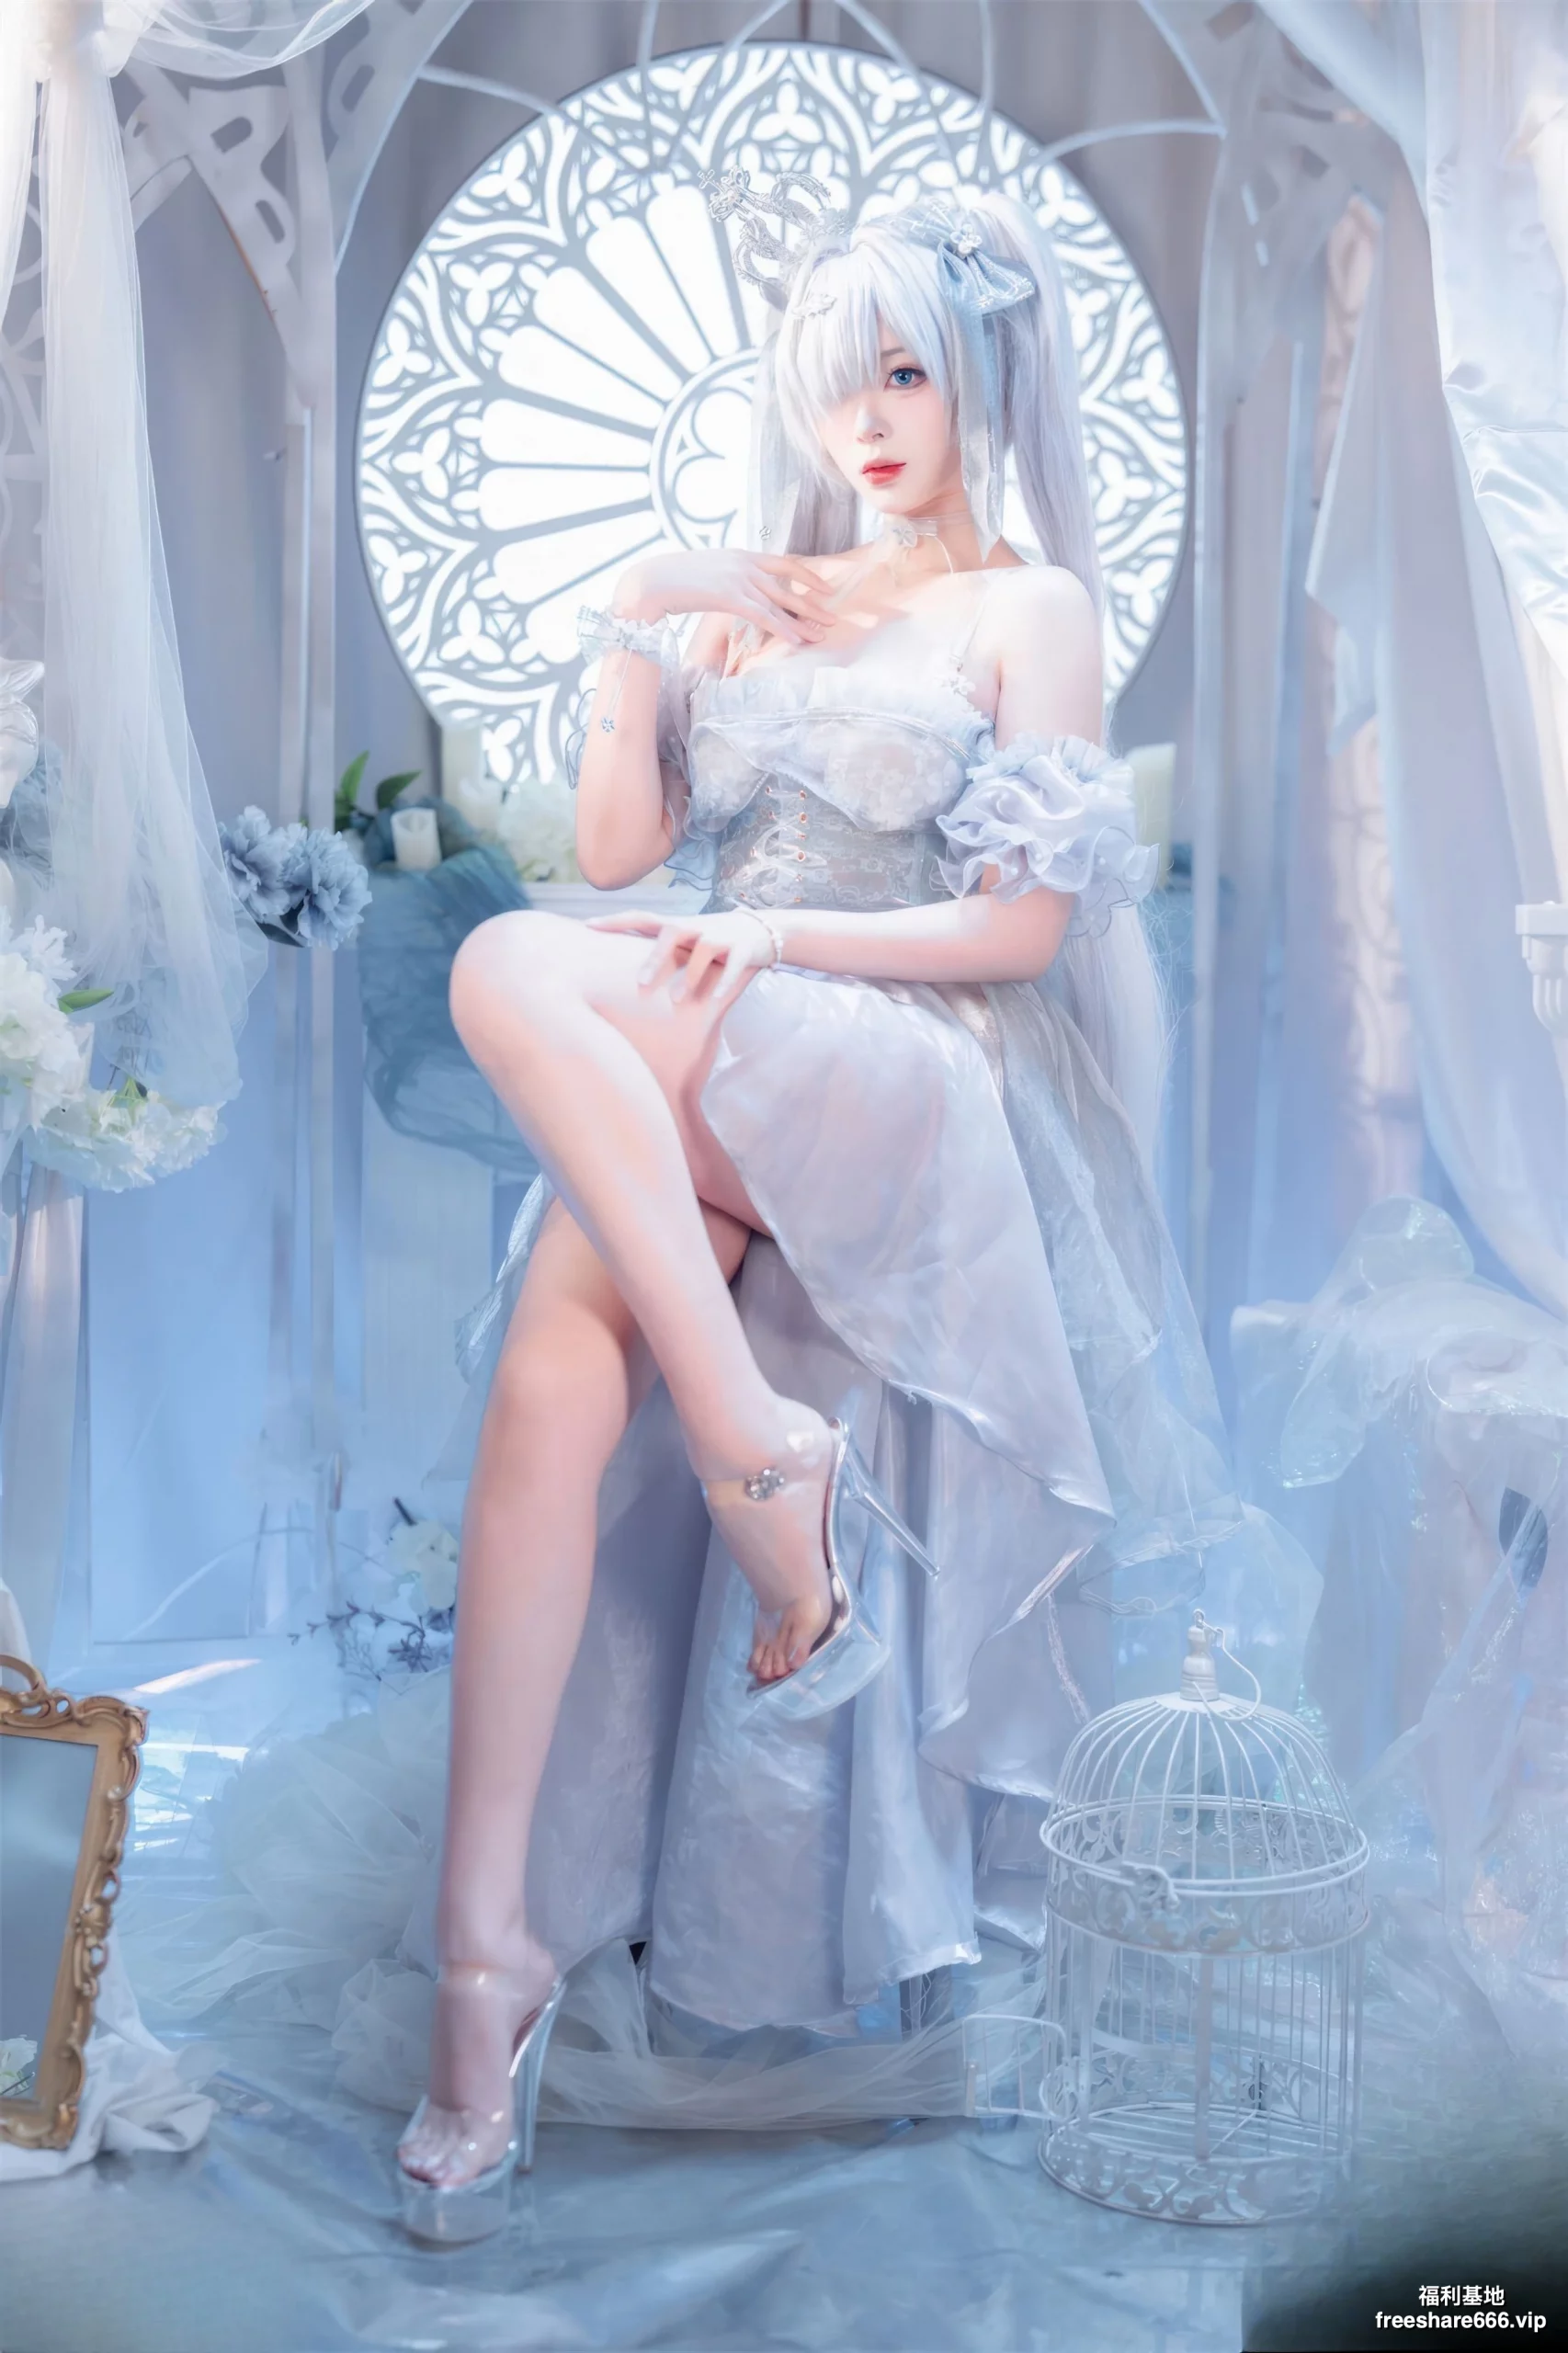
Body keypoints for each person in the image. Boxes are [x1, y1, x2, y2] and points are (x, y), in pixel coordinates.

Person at [393, 174, 1241, 2242]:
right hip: (709, 1036)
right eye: (834, 376)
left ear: (984, 380)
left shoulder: (1026, 606)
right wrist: (636, 617)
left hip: (903, 1056)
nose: (865, 418)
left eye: (906, 373)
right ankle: (484, 1961)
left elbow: (1022, 932)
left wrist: (778, 946)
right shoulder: (763, 588)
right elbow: (622, 846)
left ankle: (753, 1451)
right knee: (543, 1379)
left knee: (507, 965)